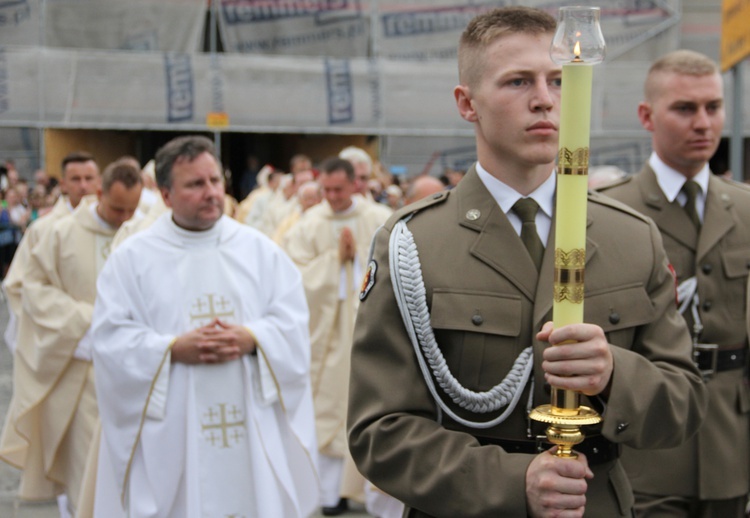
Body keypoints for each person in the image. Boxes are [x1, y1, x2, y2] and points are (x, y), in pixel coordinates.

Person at [347, 7, 708, 518]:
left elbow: (686, 405)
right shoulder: (413, 244)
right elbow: (377, 432)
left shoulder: (631, 237)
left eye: (559, 80)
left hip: (596, 501)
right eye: (518, 81)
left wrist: (613, 375)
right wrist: (514, 481)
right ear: (466, 103)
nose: (544, 98)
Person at [90, 135, 318, 517]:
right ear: (165, 195)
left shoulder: (259, 250)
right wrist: (171, 348)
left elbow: (293, 322)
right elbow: (110, 339)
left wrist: (252, 337)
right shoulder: (132, 259)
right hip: (175, 426)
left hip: (249, 417)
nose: (211, 192)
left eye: (214, 180)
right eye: (195, 184)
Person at [598, 49, 750, 517]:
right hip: (648, 438)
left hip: (731, 440)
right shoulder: (608, 214)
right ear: (647, 115)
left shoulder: (744, 209)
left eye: (713, 107)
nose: (703, 123)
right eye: (685, 109)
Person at [0, 157, 142, 517]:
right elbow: (31, 288)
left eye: (131, 210)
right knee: (85, 475)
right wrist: (87, 321)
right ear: (99, 194)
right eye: (116, 209)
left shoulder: (143, 233)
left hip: (135, 370)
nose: (124, 219)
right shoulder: (55, 232)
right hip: (82, 370)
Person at [282, 156, 391, 516]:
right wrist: (334, 260)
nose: (331, 197)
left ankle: (365, 490)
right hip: (325, 335)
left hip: (367, 332)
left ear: (354, 186)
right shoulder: (309, 224)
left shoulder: (377, 219)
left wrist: (356, 258)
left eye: (338, 190)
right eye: (325, 189)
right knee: (327, 408)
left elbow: (395, 269)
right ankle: (329, 494)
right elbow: (294, 278)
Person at [2, 151, 100, 351]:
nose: (83, 185)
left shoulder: (117, 226)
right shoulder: (42, 229)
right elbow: (18, 285)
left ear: (98, 182)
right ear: (63, 184)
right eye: (75, 179)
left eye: (89, 178)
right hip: (58, 337)